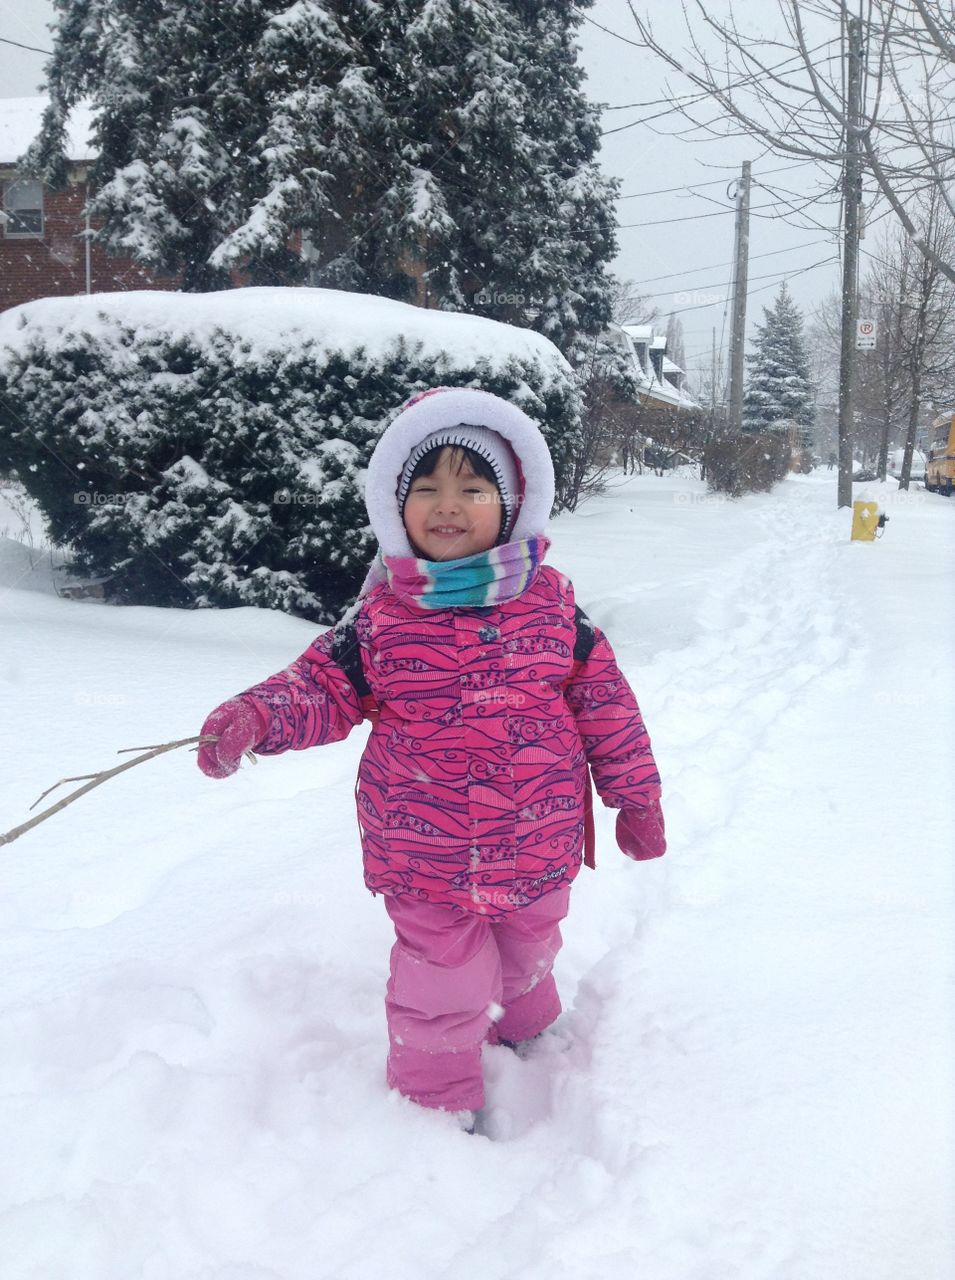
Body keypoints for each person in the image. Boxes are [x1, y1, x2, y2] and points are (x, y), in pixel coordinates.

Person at [197, 386, 664, 1129]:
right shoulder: (380, 620)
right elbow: (316, 686)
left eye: (472, 489)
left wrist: (635, 797)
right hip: (423, 849)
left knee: (529, 946)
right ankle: (435, 1103)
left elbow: (608, 710)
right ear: (395, 505)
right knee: (440, 979)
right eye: (427, 488)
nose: (447, 505)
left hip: (537, 840)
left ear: (511, 509)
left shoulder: (553, 614)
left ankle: (526, 1020)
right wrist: (255, 717)